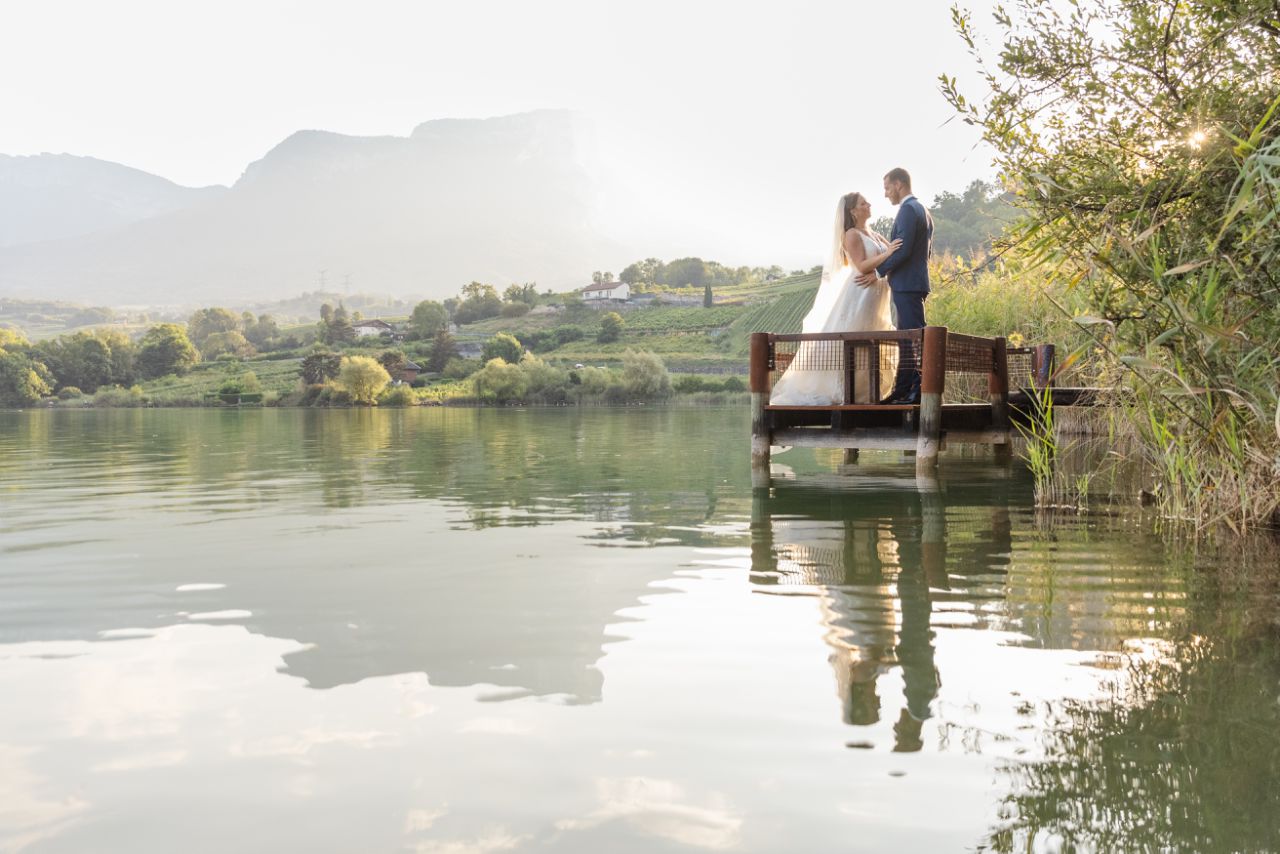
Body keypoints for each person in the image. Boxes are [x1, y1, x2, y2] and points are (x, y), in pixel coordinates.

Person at [769, 192, 901, 406]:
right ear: (853, 211)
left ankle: (868, 392)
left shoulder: (874, 234)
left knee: (875, 338)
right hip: (861, 293)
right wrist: (887, 255)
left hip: (877, 295)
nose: (868, 204)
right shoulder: (851, 235)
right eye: (863, 203)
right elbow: (862, 266)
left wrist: (888, 258)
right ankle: (845, 390)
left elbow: (893, 253)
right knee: (857, 336)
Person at [870, 167, 934, 405]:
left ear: (899, 184)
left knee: (913, 337)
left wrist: (878, 272)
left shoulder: (908, 210)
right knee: (907, 338)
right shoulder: (921, 209)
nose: (886, 193)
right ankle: (903, 389)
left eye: (887, 187)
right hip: (913, 282)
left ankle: (917, 390)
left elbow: (904, 250)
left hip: (907, 284)